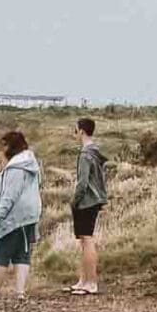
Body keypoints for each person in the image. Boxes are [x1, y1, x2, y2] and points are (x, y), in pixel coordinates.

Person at [0, 129, 41, 299]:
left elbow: (9, 196)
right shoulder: (30, 164)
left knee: (0, 252)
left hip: (14, 217)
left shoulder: (15, 169)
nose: (1, 151)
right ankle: (20, 291)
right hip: (29, 215)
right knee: (21, 253)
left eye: (4, 146)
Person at [69, 115, 108, 296]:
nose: (74, 134)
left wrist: (75, 201)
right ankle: (83, 280)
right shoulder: (95, 152)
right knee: (84, 241)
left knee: (87, 240)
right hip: (94, 200)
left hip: (86, 202)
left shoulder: (85, 154)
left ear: (82, 131)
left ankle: (90, 283)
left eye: (75, 130)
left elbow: (82, 183)